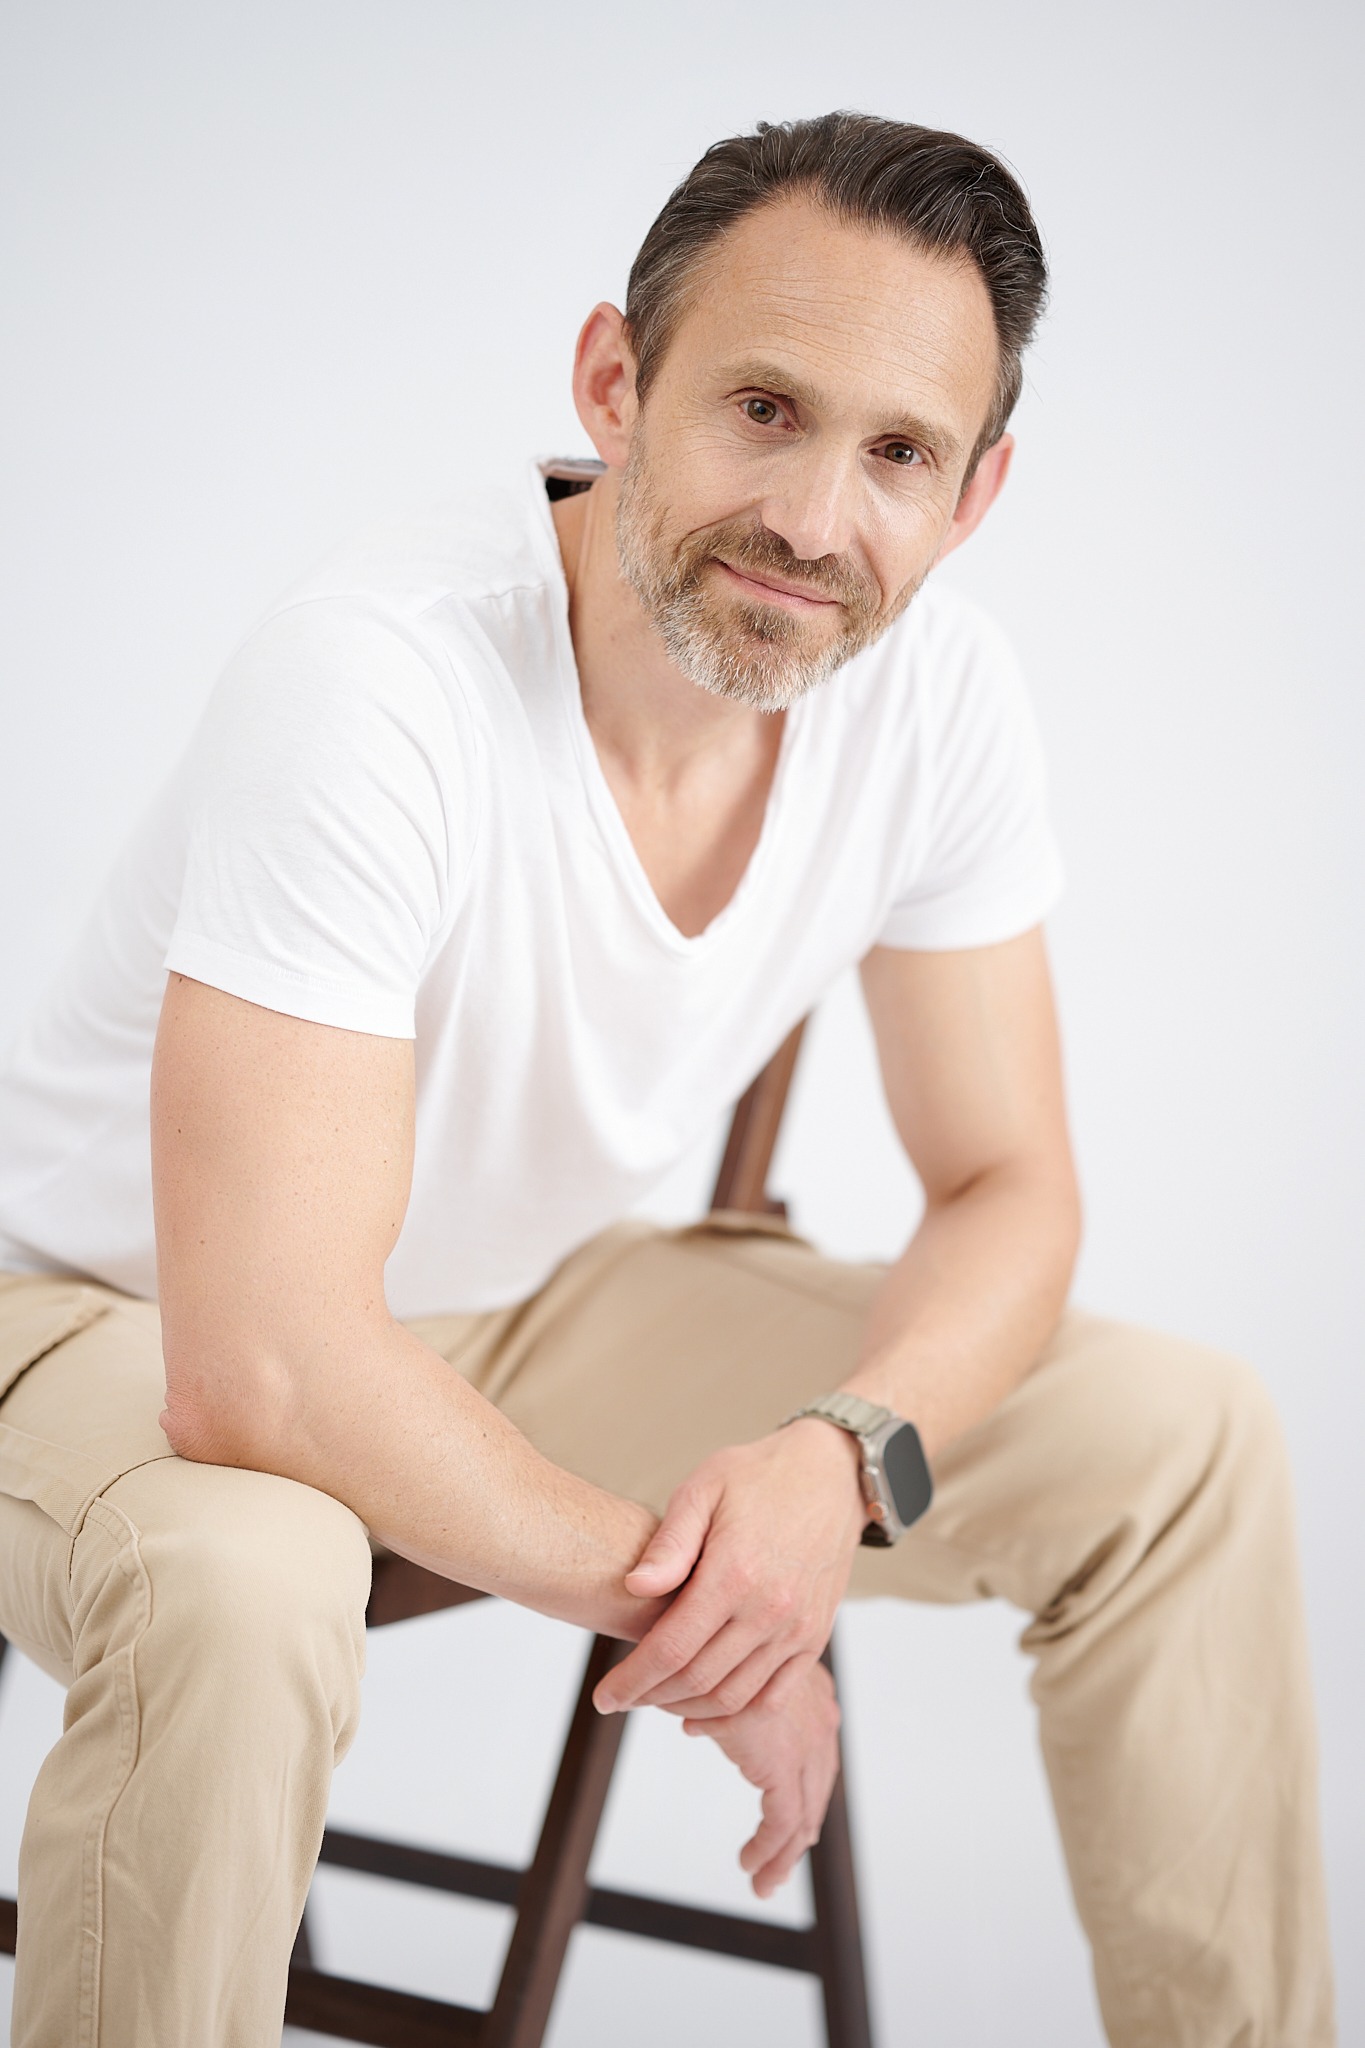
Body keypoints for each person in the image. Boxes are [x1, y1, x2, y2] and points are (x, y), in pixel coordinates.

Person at [0, 111, 1332, 2048]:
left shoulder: (938, 700)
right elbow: (262, 1367)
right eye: (762, 409)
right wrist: (714, 1616)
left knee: (1182, 1438)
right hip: (99, 1313)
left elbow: (1005, 1186)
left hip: (521, 1306)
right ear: (614, 383)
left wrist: (835, 1459)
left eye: (897, 454)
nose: (812, 520)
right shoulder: (379, 680)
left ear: (975, 495)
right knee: (247, 1567)